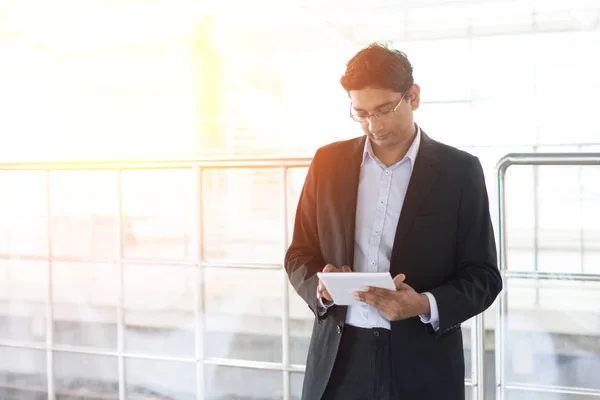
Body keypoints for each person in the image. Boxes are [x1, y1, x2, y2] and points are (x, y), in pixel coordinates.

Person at [284, 43, 502, 400]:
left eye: (385, 110)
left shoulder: (459, 171)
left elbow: (484, 276)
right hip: (339, 362)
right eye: (361, 113)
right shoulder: (328, 162)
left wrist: (423, 304)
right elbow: (299, 254)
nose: (374, 125)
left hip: (422, 364)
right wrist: (320, 289)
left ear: (413, 96)